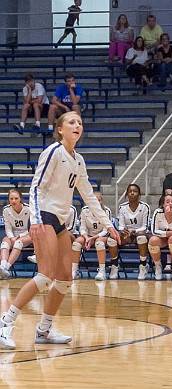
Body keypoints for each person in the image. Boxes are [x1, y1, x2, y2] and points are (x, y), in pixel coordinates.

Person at [0, 111, 121, 351]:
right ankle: (5, 323)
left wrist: (108, 224)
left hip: (60, 221)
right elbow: (35, 187)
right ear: (60, 130)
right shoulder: (54, 151)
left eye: (80, 123)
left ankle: (44, 329)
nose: (77, 125)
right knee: (45, 276)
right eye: (72, 122)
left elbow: (88, 194)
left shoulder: (78, 159)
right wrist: (34, 219)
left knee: (65, 278)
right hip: (44, 216)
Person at [72, 191, 114, 281]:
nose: (97, 202)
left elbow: (106, 230)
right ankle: (74, 270)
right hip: (88, 236)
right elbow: (82, 227)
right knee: (77, 242)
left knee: (99, 243)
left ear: (102, 201)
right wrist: (87, 238)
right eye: (94, 200)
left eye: (99, 200)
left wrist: (93, 238)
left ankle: (102, 271)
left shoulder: (106, 211)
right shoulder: (84, 210)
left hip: (102, 236)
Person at [117, 183, 152, 280]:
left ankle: (143, 266)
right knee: (112, 239)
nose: (132, 193)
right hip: (127, 234)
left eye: (135, 191)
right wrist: (124, 231)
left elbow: (145, 226)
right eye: (130, 191)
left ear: (139, 194)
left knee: (141, 238)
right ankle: (114, 266)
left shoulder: (145, 207)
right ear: (127, 194)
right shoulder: (122, 207)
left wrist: (134, 231)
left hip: (140, 233)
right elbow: (121, 225)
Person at [148, 194, 172, 281]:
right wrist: (169, 233)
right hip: (164, 237)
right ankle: (158, 266)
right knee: (153, 240)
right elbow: (154, 231)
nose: (170, 204)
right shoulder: (157, 212)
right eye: (167, 202)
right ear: (163, 204)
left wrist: (169, 219)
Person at [0, 190, 32, 278]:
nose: (13, 201)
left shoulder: (28, 209)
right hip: (13, 234)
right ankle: (2, 266)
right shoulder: (6, 210)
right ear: (9, 200)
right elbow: (8, 227)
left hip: (28, 234)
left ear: (20, 199)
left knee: (18, 242)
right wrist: (11, 237)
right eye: (11, 199)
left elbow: (32, 227)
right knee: (4, 242)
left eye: (16, 198)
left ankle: (6, 268)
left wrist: (20, 236)